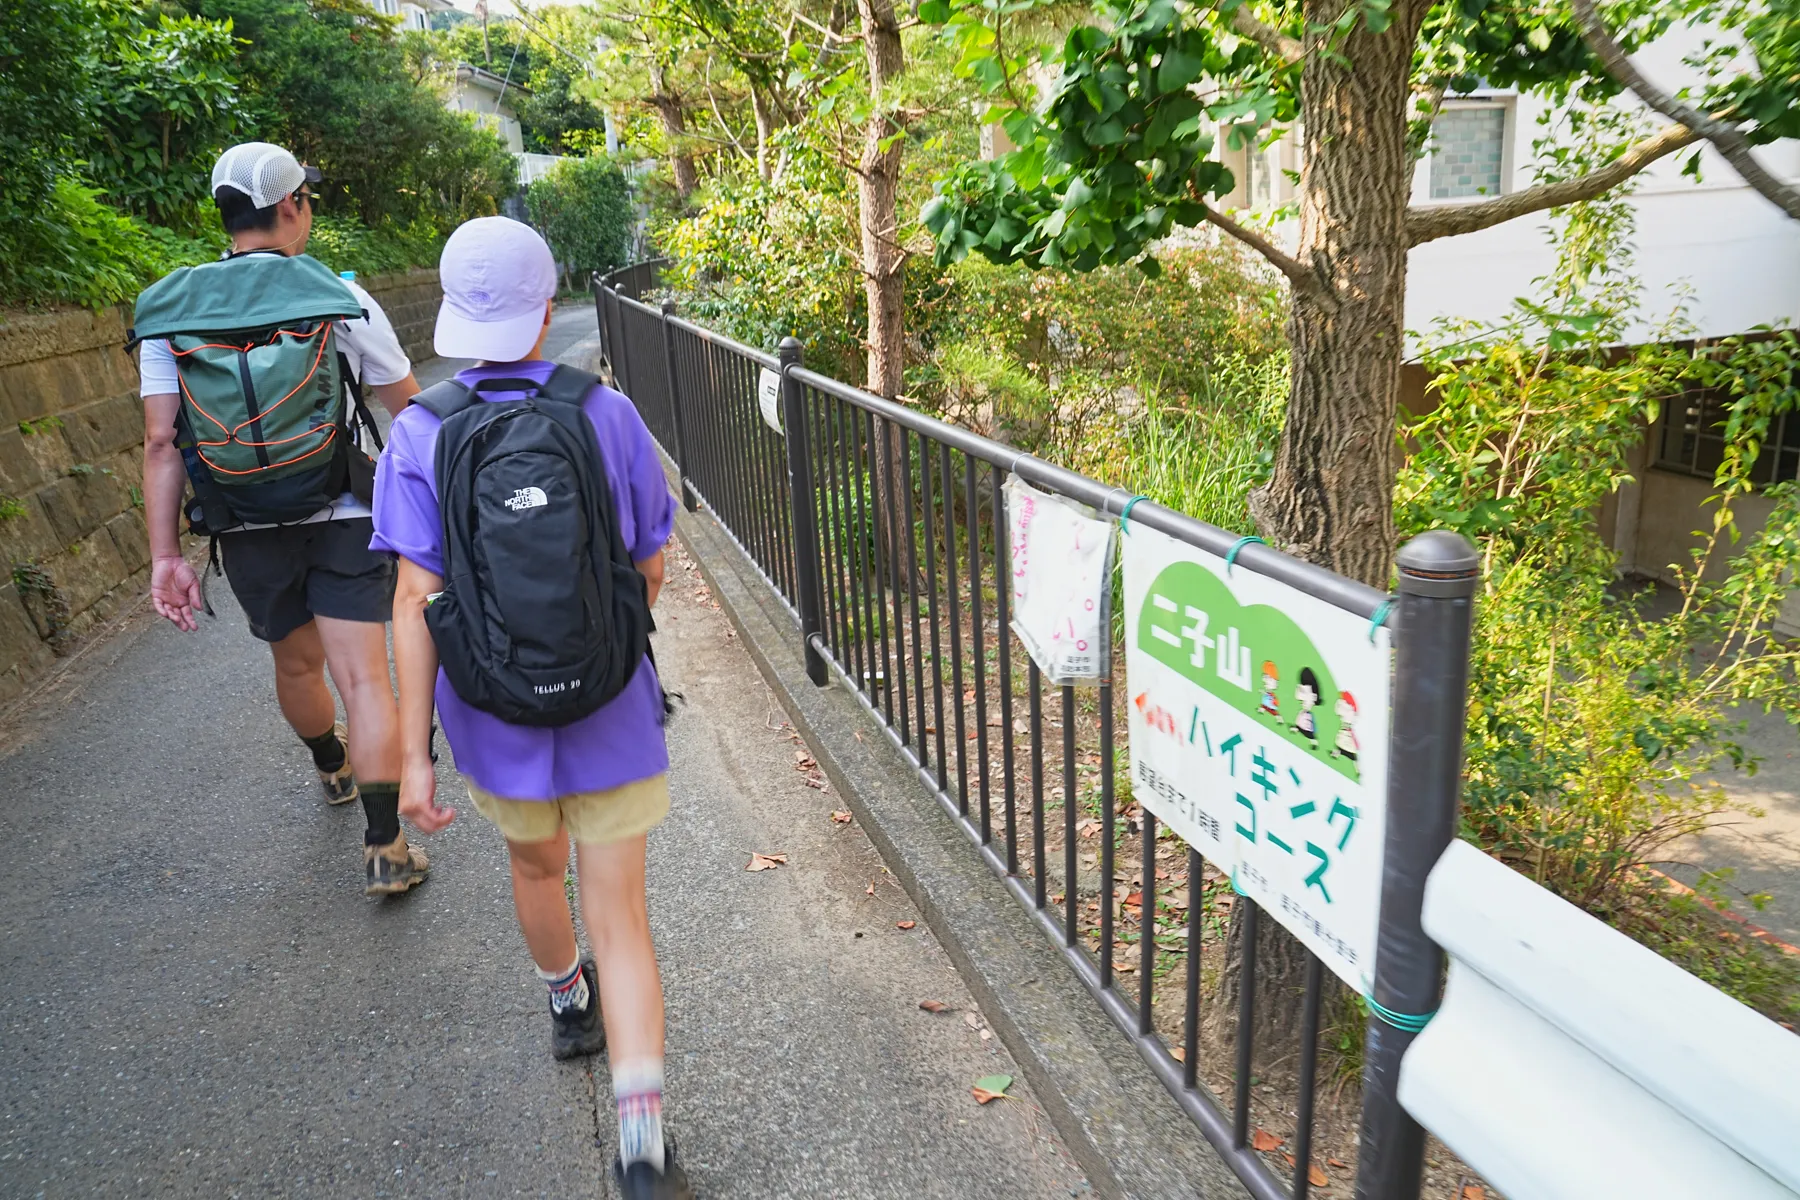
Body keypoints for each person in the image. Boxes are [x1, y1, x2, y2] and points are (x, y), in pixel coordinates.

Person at [371, 217, 692, 1199]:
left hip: (492, 715)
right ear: (550, 308)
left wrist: (415, 754)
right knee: (621, 914)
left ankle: (565, 1002)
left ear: (457, 316)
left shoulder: (421, 432)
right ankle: (640, 1146)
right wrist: (597, 647)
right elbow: (650, 565)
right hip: (609, 710)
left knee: (531, 865)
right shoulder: (606, 415)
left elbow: (414, 603)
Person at [137, 141, 428, 896]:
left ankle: (331, 768)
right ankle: (385, 846)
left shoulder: (170, 309)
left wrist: (165, 553)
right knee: (365, 678)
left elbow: (162, 441)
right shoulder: (336, 295)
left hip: (241, 519)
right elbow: (408, 410)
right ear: (292, 206)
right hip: (342, 510)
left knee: (295, 664)